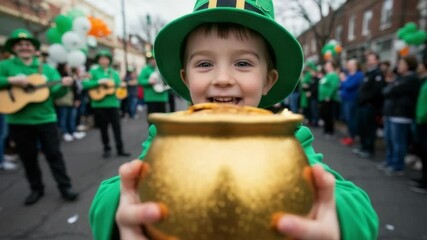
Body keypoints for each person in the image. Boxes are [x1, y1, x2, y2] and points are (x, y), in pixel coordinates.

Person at [89, 1, 378, 239]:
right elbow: (106, 198)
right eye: (204, 64)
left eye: (243, 63)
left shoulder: (285, 138)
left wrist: (331, 215)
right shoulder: (168, 136)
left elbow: (358, 206)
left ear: (268, 80)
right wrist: (124, 207)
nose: (223, 79)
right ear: (185, 78)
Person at [0, 29, 78, 205]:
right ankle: (36, 188)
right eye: (20, 44)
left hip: (46, 119)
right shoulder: (5, 66)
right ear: (14, 48)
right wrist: (11, 81)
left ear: (33, 48)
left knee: (54, 155)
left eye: (27, 44)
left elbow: (56, 93)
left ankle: (65, 187)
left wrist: (65, 86)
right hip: (19, 120)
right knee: (28, 157)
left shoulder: (47, 69)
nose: (24, 47)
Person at [82, 50, 130, 159]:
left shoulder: (114, 73)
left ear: (109, 60)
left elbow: (118, 88)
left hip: (113, 104)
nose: (104, 61)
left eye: (106, 59)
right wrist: (98, 82)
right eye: (101, 59)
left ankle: (120, 149)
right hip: (99, 105)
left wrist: (122, 88)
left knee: (117, 127)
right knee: (103, 129)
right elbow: (84, 84)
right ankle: (106, 148)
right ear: (98, 60)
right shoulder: (93, 72)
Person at [379, 56, 420, 176]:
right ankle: (390, 161)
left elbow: (390, 91)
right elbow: (386, 91)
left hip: (401, 115)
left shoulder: (411, 79)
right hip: (391, 113)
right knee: (389, 139)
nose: (398, 66)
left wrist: (391, 86)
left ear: (409, 65)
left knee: (398, 142)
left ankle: (397, 165)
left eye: (401, 64)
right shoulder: (400, 78)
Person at [353, 52, 386, 159]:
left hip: (369, 106)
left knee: (369, 129)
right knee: (362, 128)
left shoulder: (378, 74)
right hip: (362, 106)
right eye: (368, 59)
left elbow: (377, 92)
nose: (369, 61)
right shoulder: (368, 73)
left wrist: (366, 99)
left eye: (372, 59)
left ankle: (369, 149)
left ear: (377, 61)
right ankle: (363, 147)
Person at [55, 63, 86, 142]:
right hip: (62, 101)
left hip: (71, 100)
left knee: (72, 118)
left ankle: (73, 131)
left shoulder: (71, 75)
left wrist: (77, 99)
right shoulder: (57, 75)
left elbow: (75, 88)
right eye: (66, 65)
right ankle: (65, 133)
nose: (68, 67)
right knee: (63, 118)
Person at [409, 60, 427, 193]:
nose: (418, 66)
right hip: (420, 121)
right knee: (422, 151)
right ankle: (423, 178)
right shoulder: (423, 81)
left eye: (421, 64)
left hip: (424, 121)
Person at [339, 59, 364, 146]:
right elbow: (342, 86)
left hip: (352, 100)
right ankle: (350, 135)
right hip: (345, 99)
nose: (348, 65)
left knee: (351, 118)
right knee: (347, 118)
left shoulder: (358, 75)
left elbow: (349, 86)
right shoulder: (349, 75)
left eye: (350, 64)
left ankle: (352, 136)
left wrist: (343, 79)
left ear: (355, 65)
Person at [318, 61, 340, 138]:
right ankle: (326, 129)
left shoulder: (333, 75)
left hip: (328, 99)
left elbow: (334, 87)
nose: (326, 67)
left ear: (332, 66)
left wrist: (328, 96)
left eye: (328, 65)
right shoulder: (326, 75)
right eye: (326, 65)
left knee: (328, 115)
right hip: (322, 98)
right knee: (324, 114)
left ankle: (330, 131)